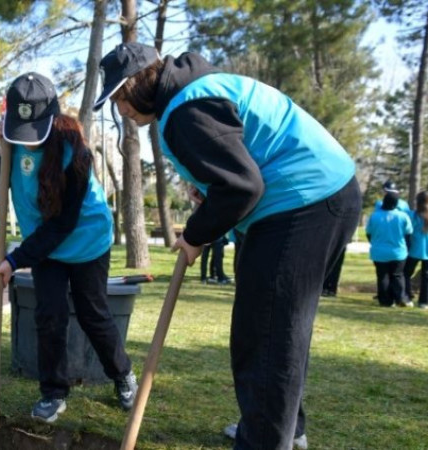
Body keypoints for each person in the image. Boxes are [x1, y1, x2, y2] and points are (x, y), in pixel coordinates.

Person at [96, 43, 361, 450]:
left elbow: (243, 186)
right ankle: (283, 430)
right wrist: (210, 195)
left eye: (121, 96)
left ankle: (267, 439)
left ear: (141, 80)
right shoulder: (193, 90)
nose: (122, 110)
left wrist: (196, 233)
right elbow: (237, 169)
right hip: (310, 199)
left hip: (304, 201)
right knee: (272, 329)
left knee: (268, 334)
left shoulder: (185, 109)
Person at [0, 72, 138, 424]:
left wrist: (15, 259)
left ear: (52, 117)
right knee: (48, 315)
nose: (28, 141)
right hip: (45, 245)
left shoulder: (75, 150)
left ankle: (122, 374)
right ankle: (53, 393)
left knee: (92, 313)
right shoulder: (9, 137)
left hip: (85, 239)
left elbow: (64, 223)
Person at [367, 192, 414, 307]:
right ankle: (400, 298)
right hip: (398, 251)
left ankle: (385, 300)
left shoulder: (374, 216)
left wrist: (375, 243)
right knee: (398, 275)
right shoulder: (402, 216)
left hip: (379, 251)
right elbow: (408, 234)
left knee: (382, 276)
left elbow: (369, 233)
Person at [404, 191, 428, 309]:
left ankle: (407, 297)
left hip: (414, 249)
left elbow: (407, 230)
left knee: (406, 274)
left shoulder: (412, 215)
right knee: (426, 277)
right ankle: (424, 302)